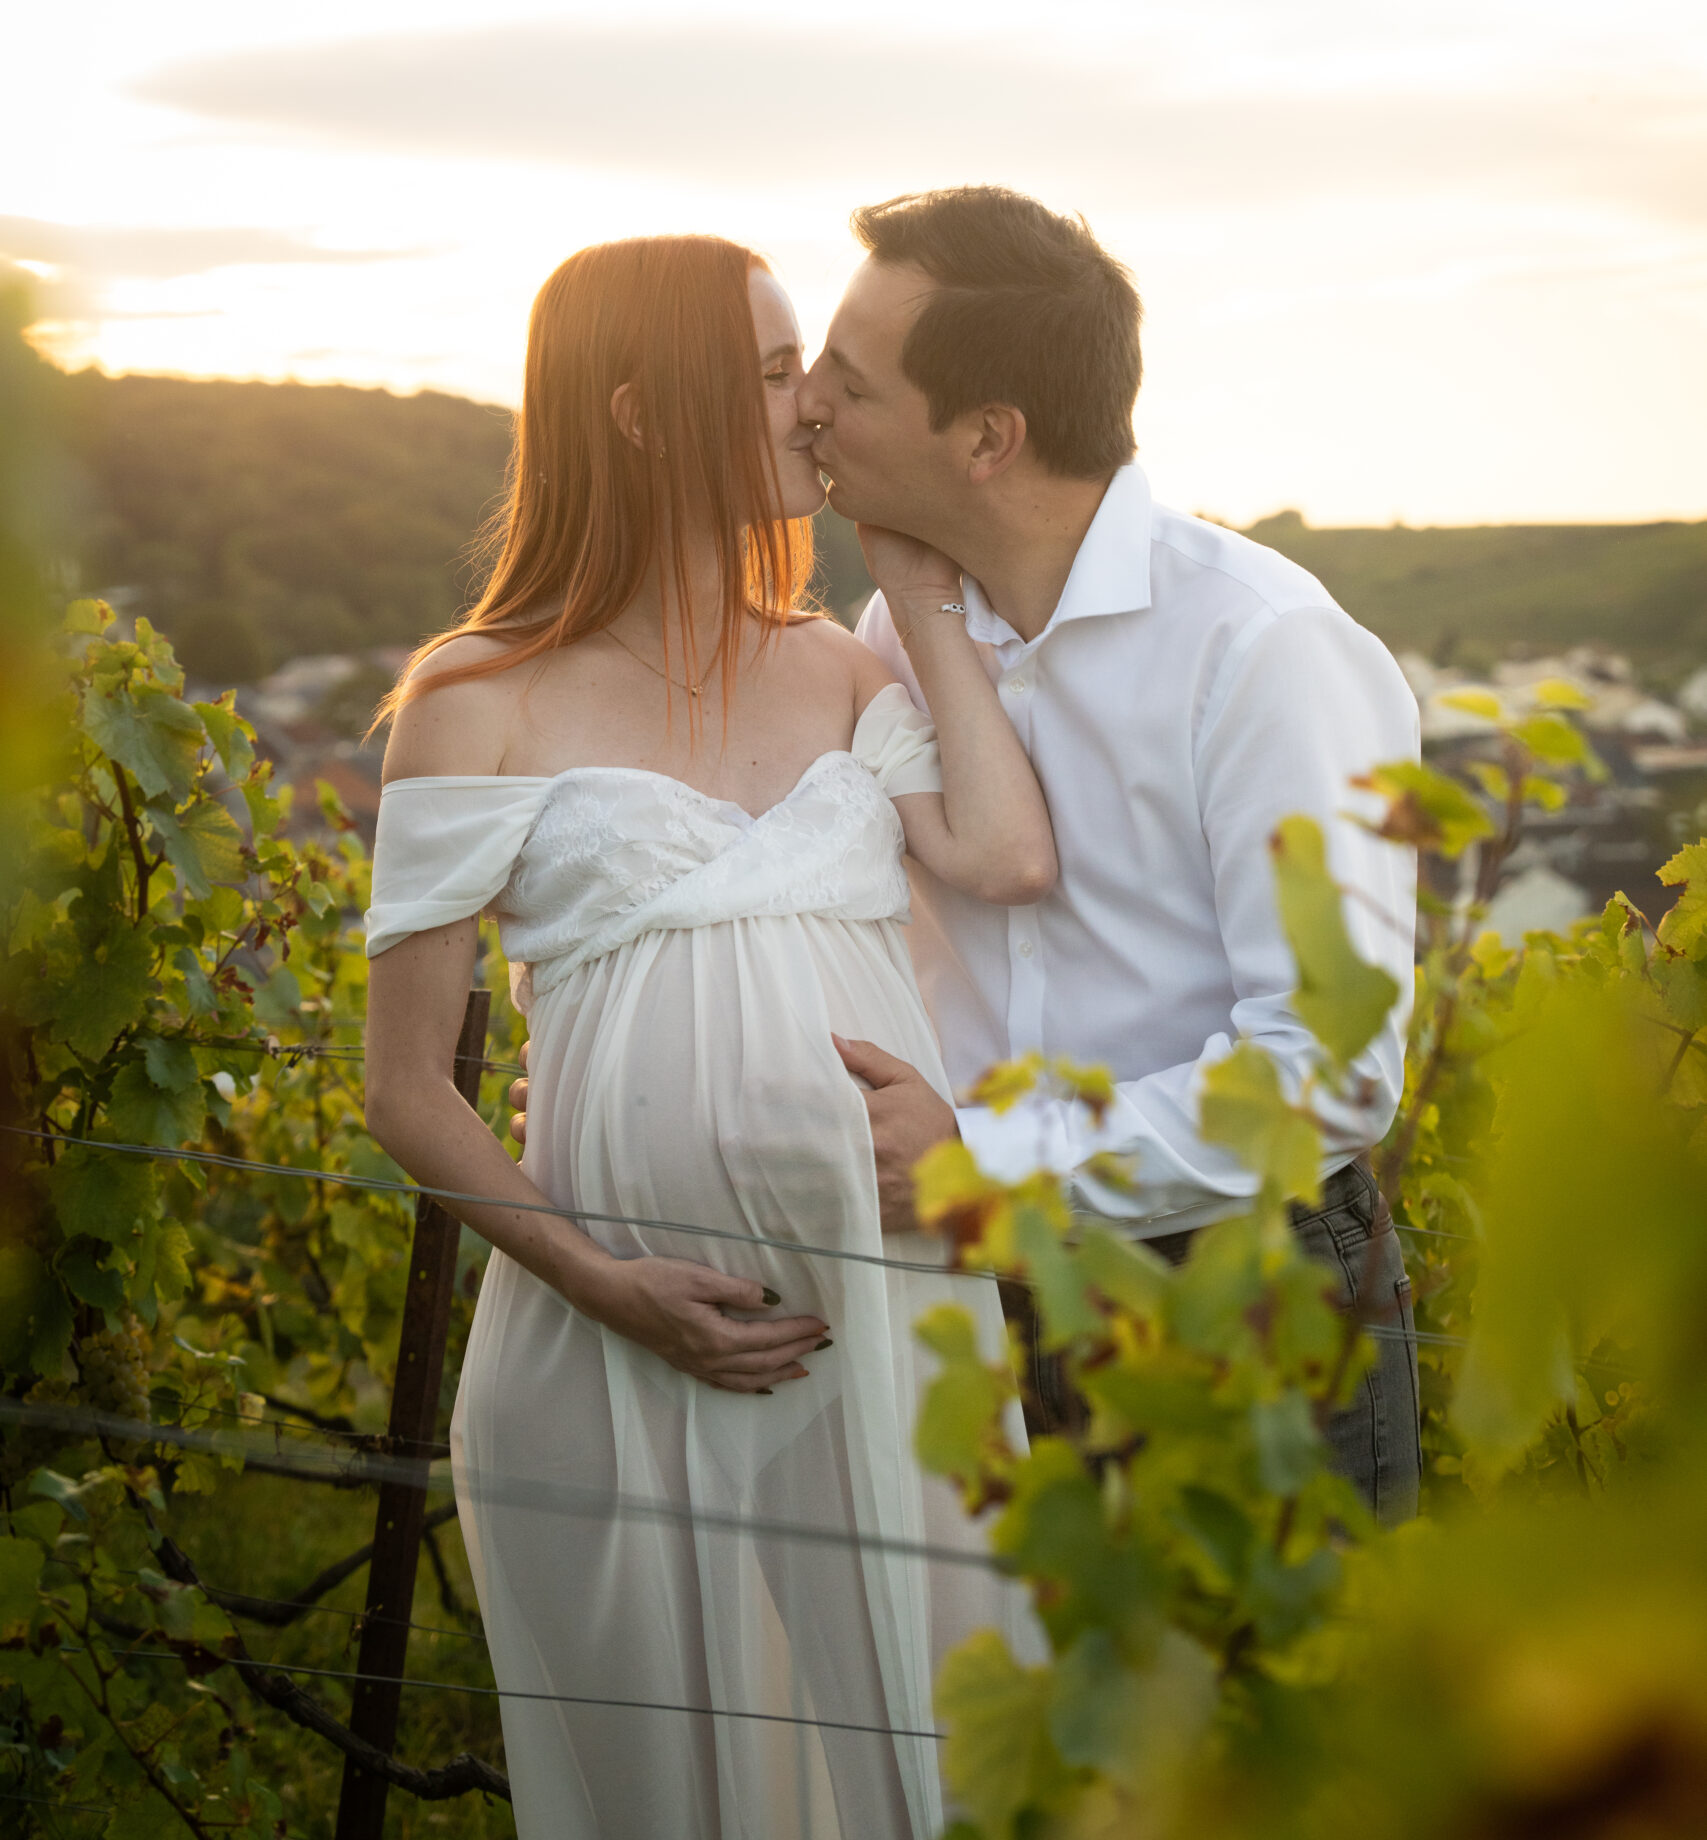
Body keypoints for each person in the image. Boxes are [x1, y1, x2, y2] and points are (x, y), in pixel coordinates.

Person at [361, 233, 1053, 1840]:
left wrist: (917, 588)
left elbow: (1006, 855)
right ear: (640, 413)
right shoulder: (478, 697)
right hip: (626, 1350)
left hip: (898, 1330)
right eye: (765, 370)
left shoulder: (834, 667)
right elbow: (404, 1092)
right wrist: (614, 1288)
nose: (812, 402)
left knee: (941, 1776)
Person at [795, 186, 1423, 1518]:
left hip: (1242, 1291)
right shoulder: (899, 635)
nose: (806, 404)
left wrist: (981, 1158)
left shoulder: (1260, 650)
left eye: (848, 383)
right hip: (974, 1301)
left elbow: (1327, 1075)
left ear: (985, 437)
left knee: (1257, 1720)